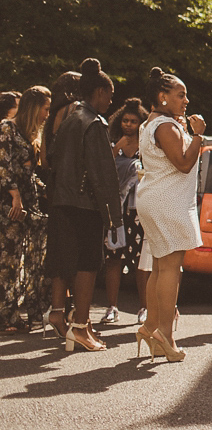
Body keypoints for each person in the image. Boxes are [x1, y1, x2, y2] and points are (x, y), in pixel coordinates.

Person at [45, 59, 120, 353]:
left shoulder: (69, 118)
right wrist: (113, 217)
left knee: (65, 260)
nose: (111, 101)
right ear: (99, 91)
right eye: (109, 95)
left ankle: (68, 318)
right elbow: (104, 173)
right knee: (88, 264)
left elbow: (51, 157)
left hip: (62, 199)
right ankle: (80, 326)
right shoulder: (95, 123)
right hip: (86, 203)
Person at [137, 67, 206, 362]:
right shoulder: (166, 126)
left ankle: (151, 326)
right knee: (170, 268)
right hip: (168, 201)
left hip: (155, 198)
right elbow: (182, 163)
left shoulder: (151, 123)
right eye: (181, 95)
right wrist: (199, 135)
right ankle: (165, 334)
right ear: (162, 97)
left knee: (158, 266)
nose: (186, 100)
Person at [0, 86, 51, 333]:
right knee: (8, 259)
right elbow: (3, 163)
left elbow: (30, 173)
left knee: (23, 259)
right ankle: (6, 316)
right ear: (34, 107)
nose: (47, 114)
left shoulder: (32, 133)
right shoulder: (7, 128)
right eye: (46, 109)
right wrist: (15, 196)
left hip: (29, 201)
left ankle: (18, 313)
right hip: (9, 202)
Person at [100, 97, 149, 325]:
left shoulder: (148, 145)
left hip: (140, 210)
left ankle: (144, 307)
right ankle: (112, 307)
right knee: (113, 258)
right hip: (116, 209)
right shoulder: (112, 143)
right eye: (125, 121)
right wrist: (116, 149)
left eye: (133, 121)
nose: (128, 125)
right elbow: (102, 171)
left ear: (141, 123)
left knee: (141, 260)